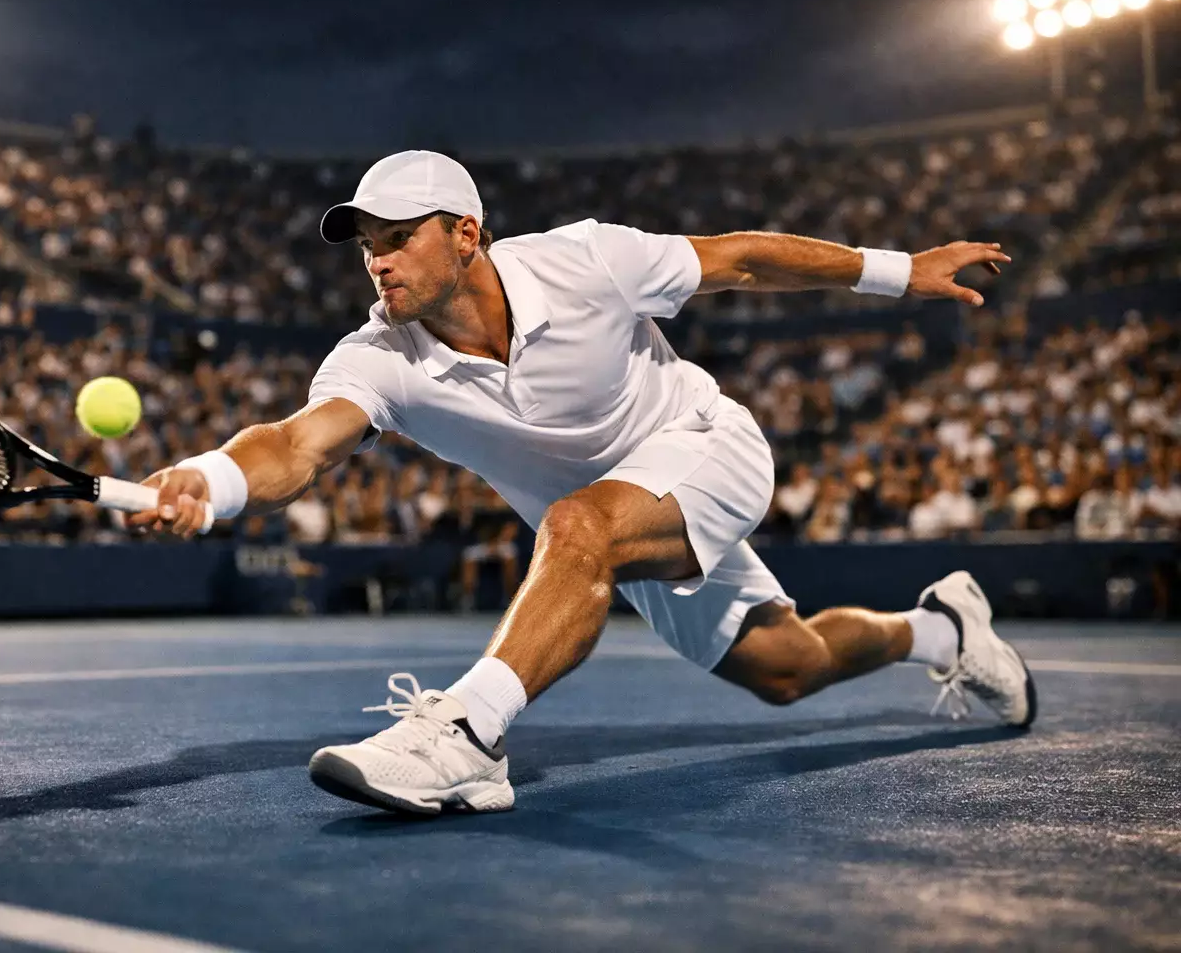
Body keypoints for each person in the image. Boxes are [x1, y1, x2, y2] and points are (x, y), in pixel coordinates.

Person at [130, 150, 1034, 816]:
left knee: (576, 524)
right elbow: (298, 445)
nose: (379, 263)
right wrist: (210, 478)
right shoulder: (379, 358)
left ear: (466, 234)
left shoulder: (587, 260)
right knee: (786, 667)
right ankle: (939, 626)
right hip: (611, 526)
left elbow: (743, 258)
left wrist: (900, 270)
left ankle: (469, 736)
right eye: (368, 246)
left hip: (706, 446)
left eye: (399, 240)